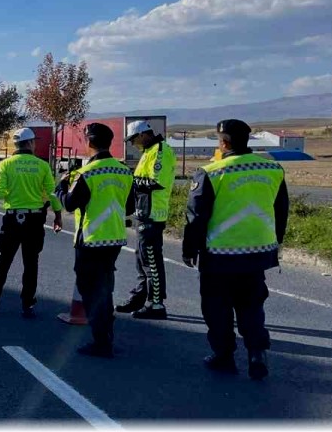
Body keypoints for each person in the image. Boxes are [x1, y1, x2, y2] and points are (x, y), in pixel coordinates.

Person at [183, 119, 289, 380]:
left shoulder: (211, 172)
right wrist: (276, 240)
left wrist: (190, 248)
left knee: (217, 307)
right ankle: (257, 354)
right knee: (252, 305)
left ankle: (224, 355)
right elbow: (281, 209)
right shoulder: (273, 168)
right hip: (257, 252)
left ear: (223, 142)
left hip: (220, 254)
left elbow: (196, 216)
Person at [57, 122, 133, 358]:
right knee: (105, 289)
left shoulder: (87, 173)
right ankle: (106, 336)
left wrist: (61, 187)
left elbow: (70, 204)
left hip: (91, 240)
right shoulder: (124, 171)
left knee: (90, 291)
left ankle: (101, 342)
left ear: (89, 142)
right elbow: (129, 206)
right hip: (115, 239)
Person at [0, 128, 63, 318]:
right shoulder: (42, 166)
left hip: (13, 220)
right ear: (31, 143)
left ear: (16, 144)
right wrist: (57, 215)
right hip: (35, 220)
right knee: (31, 263)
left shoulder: (6, 165)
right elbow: (52, 193)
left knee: (2, 261)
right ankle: (28, 305)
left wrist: (14, 194)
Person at [116, 120, 176, 320]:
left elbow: (156, 182)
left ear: (143, 134)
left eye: (134, 139)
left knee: (151, 261)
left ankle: (156, 303)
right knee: (141, 260)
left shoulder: (160, 151)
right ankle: (140, 297)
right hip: (143, 212)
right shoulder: (148, 152)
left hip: (153, 213)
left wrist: (130, 178)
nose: (133, 144)